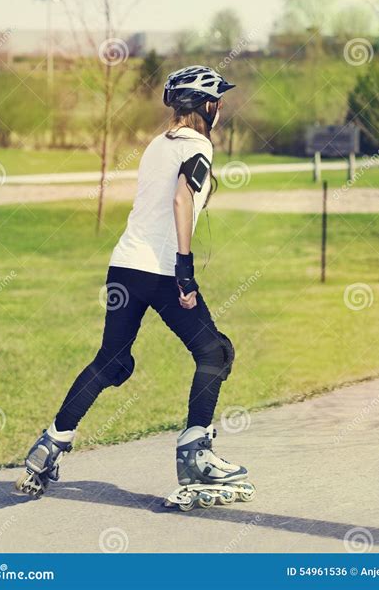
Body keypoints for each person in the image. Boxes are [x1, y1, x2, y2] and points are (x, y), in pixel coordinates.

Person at [16, 66, 254, 509]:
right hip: (163, 272)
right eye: (217, 100)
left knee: (113, 363)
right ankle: (196, 457)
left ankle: (51, 443)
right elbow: (183, 198)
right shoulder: (198, 145)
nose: (220, 108)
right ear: (207, 107)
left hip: (124, 267)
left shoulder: (156, 146)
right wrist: (185, 269)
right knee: (215, 353)